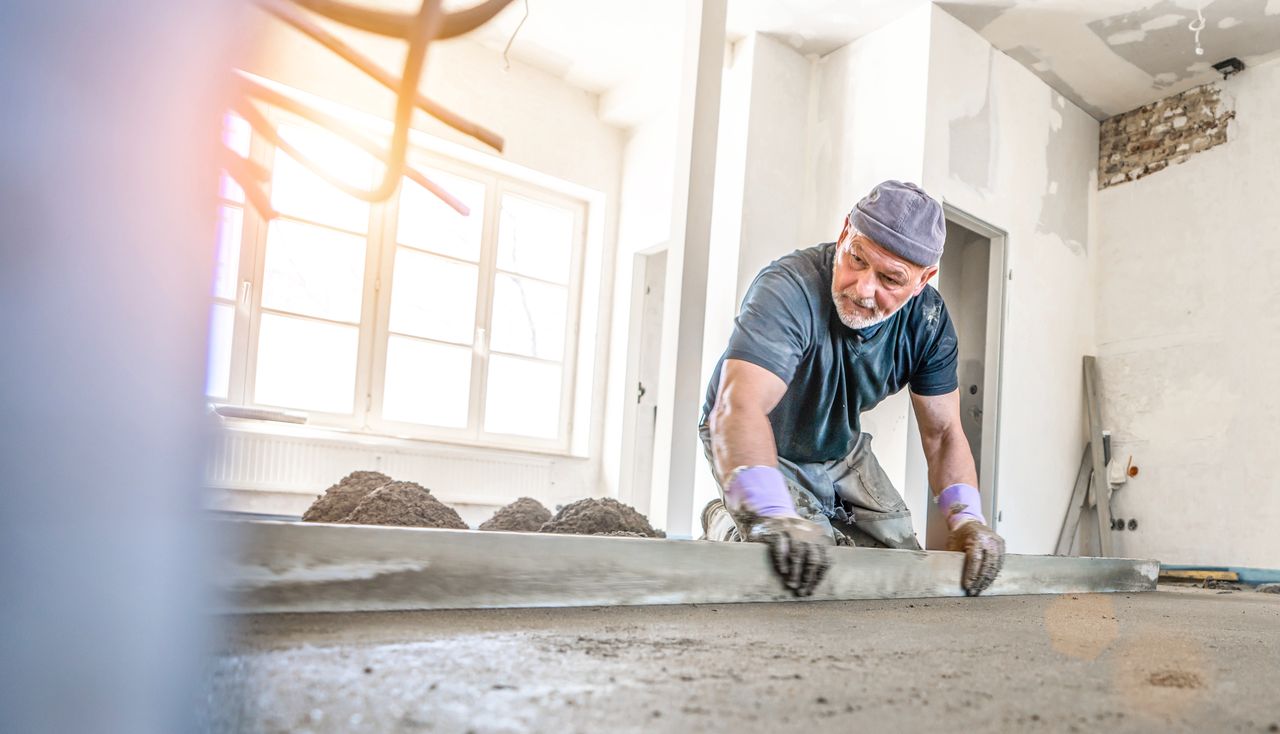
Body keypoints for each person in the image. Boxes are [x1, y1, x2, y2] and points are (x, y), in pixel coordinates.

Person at [700, 180, 1005, 597]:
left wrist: (969, 520)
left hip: (838, 442)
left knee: (901, 560)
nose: (862, 288)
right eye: (856, 258)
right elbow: (738, 407)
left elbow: (944, 433)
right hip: (761, 437)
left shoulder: (928, 323)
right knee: (804, 565)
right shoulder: (788, 288)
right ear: (845, 232)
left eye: (890, 278)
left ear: (923, 280)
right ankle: (726, 519)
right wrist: (767, 513)